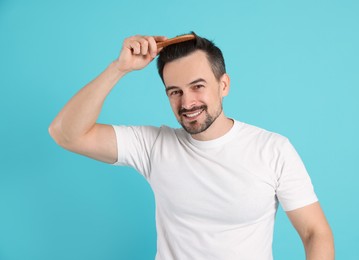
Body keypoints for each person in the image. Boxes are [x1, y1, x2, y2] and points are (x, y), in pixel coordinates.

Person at [49, 32, 334, 260]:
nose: (187, 103)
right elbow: (66, 134)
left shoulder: (272, 149)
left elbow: (314, 232)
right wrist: (119, 68)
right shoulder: (153, 145)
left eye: (198, 86)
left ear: (224, 85)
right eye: (175, 92)